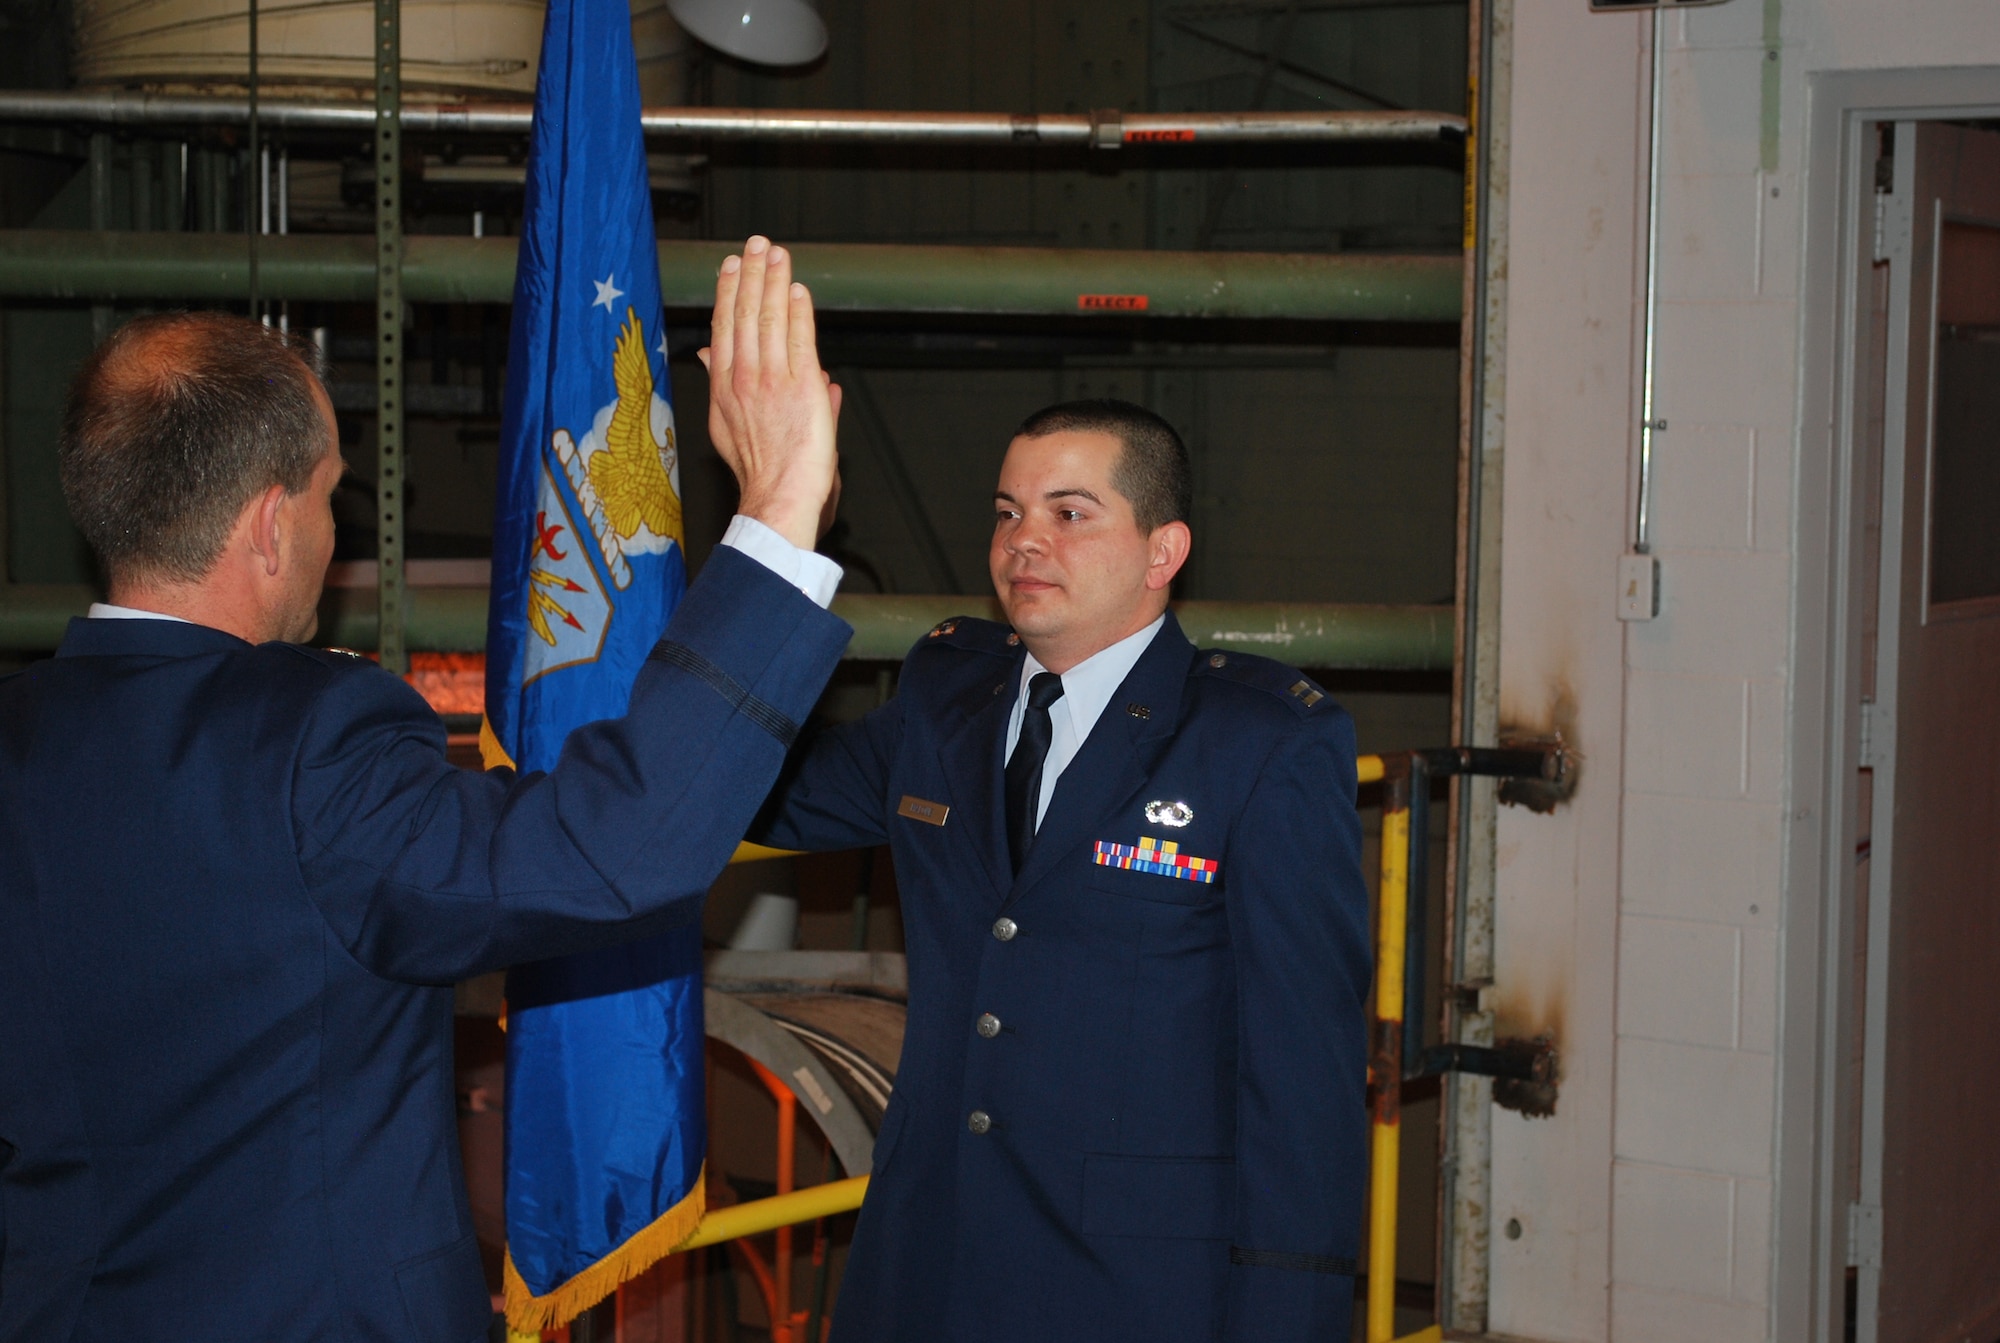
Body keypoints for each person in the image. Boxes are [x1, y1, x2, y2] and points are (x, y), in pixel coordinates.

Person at [0, 238, 845, 1343]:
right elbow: (613, 849)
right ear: (267, 523)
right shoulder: (311, 738)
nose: (330, 533)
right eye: (326, 496)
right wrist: (781, 511)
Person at [752, 400, 1373, 1342]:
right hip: (925, 1268)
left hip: (1135, 1288)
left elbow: (1305, 1083)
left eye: (1069, 513)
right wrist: (770, 547)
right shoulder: (944, 694)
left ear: (1163, 551)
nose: (1023, 542)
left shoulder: (1259, 744)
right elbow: (753, 787)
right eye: (1008, 512)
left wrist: (1289, 1316)